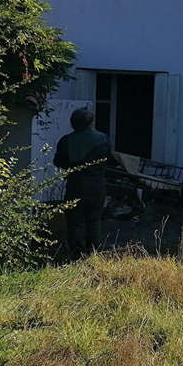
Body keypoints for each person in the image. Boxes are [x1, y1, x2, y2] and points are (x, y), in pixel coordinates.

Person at [53, 107, 111, 256]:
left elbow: (58, 162)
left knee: (74, 221)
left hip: (75, 185)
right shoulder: (103, 138)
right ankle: (93, 252)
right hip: (97, 186)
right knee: (94, 219)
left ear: (72, 123)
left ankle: (76, 253)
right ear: (91, 122)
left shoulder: (66, 140)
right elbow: (109, 161)